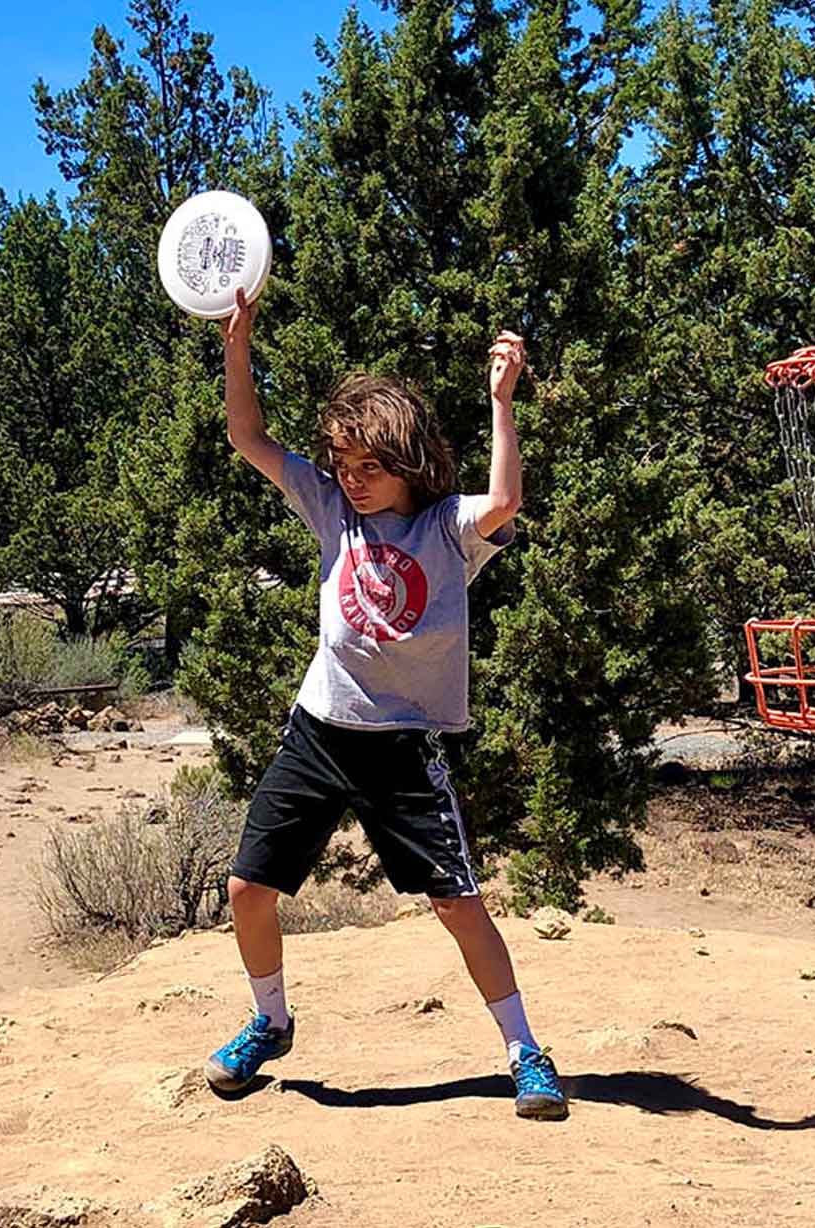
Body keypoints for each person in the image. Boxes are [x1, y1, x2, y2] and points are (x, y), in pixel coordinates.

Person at [203, 287, 565, 1121]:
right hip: (319, 733)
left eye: (370, 469)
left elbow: (506, 500)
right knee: (248, 889)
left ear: (406, 462)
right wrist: (238, 342)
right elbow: (246, 437)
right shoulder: (329, 510)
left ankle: (525, 1051)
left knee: (457, 902)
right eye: (344, 467)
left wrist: (502, 401)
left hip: (402, 748)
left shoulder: (446, 528)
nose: (354, 483)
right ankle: (270, 1022)